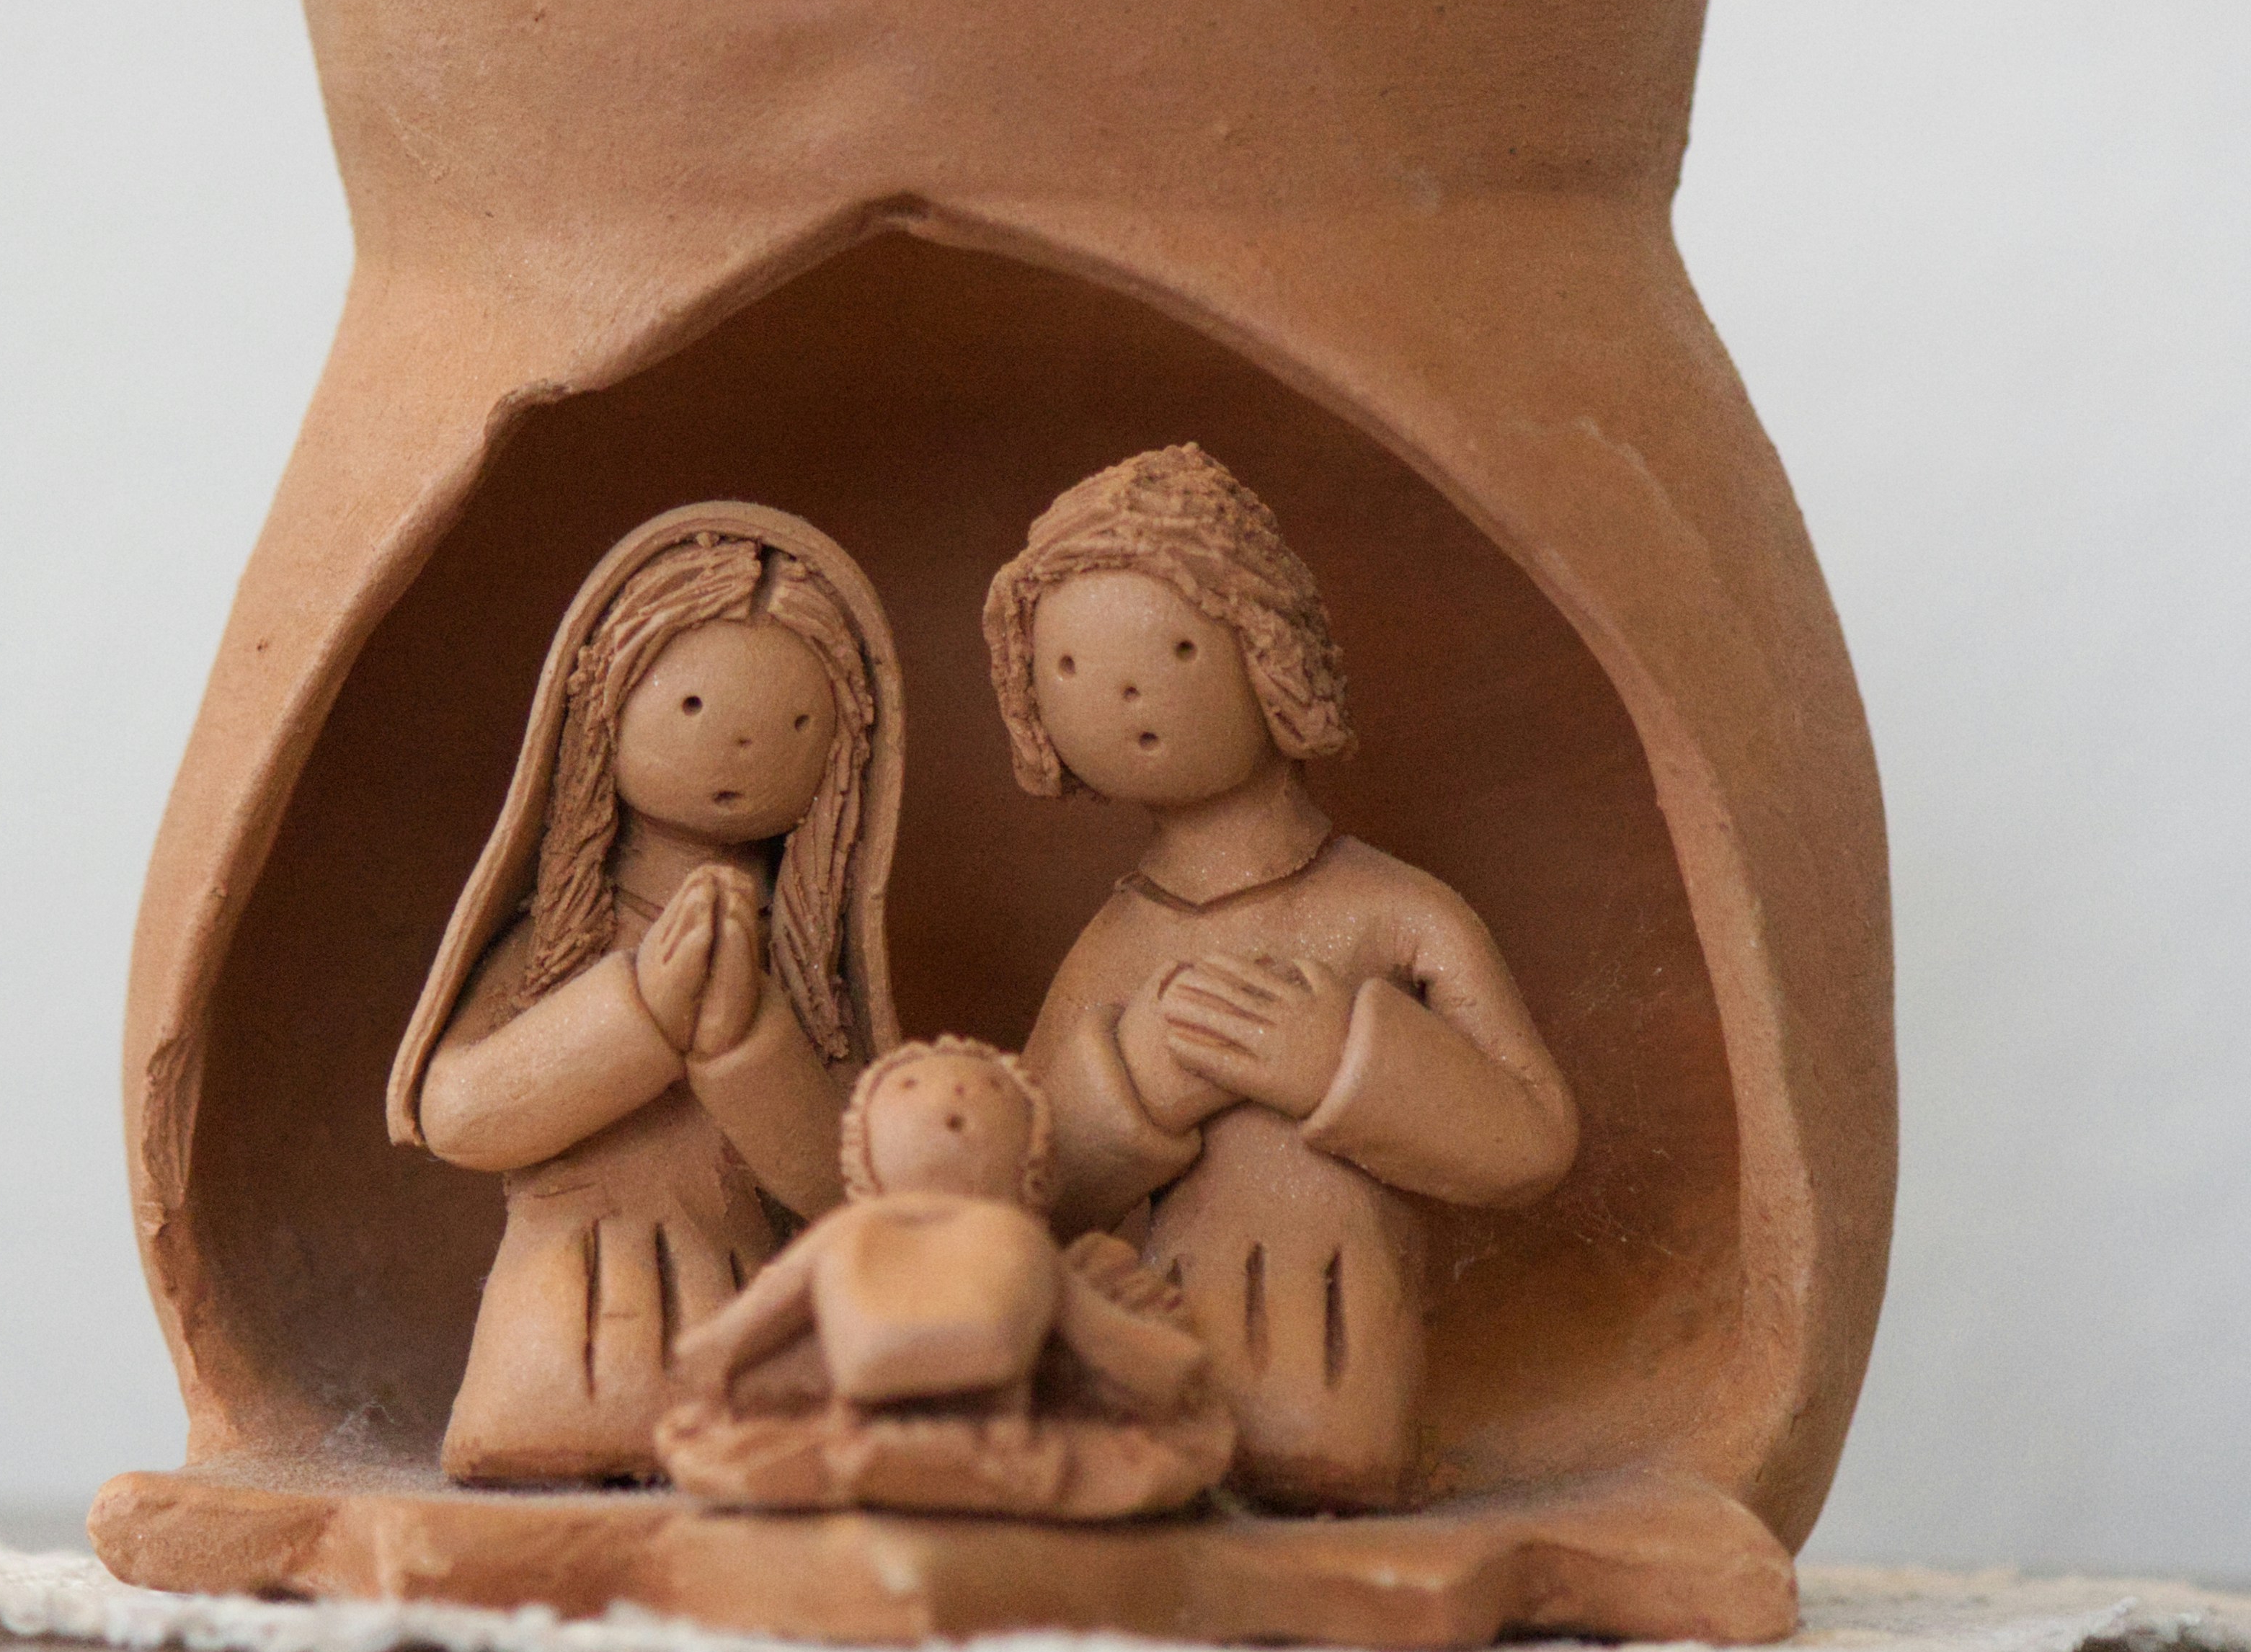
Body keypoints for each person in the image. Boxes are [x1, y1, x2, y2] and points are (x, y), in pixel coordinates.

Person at [987, 445, 1579, 1509]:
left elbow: (1532, 1140)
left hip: (1342, 1377)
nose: (1121, 696)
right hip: (1164, 1378)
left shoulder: (1396, 913)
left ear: (1270, 654)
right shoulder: (1115, 945)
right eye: (1068, 669)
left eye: (1173, 649)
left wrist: (1342, 1062)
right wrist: (1133, 1086)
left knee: (1327, 1463)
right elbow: (1016, 1188)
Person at [388, 504, 905, 1483]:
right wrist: (637, 1013)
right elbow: (457, 1112)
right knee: (561, 1424)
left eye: (793, 725)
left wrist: (744, 1042)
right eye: (693, 706)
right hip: (565, 1316)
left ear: (842, 762)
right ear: (602, 715)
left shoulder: (801, 969)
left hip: (746, 1319)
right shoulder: (563, 940)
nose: (739, 744)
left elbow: (848, 1185)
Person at [656, 1037, 1227, 1519]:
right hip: (878, 1397)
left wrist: (1164, 1370)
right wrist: (712, 1355)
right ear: (864, 1155)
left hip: (993, 1408)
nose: (951, 1100)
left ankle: (984, 1429)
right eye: (908, 1088)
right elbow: (765, 1312)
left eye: (988, 1091)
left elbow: (1094, 1327)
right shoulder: (849, 1234)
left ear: (1031, 1163)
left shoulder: (1021, 1242)